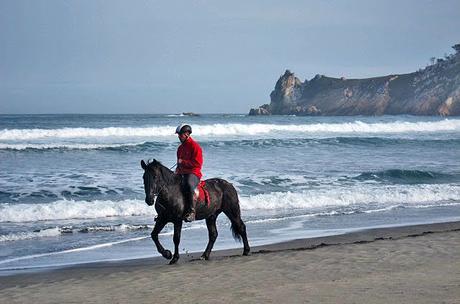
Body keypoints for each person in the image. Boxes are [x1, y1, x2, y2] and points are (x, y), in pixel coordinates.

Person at [175, 124, 203, 222]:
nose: (179, 136)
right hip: (181, 172)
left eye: (180, 134)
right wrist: (177, 170)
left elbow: (198, 163)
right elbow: (179, 164)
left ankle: (192, 212)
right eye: (178, 135)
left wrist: (183, 162)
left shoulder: (195, 146)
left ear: (187, 134)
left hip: (193, 173)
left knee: (188, 184)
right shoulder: (180, 148)